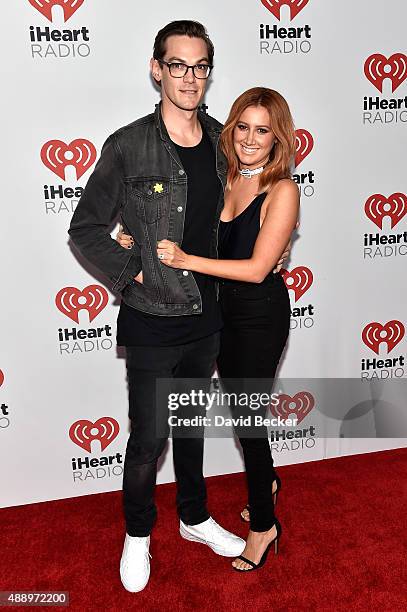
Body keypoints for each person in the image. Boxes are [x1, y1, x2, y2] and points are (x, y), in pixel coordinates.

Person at [69, 21, 291, 592]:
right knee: (148, 440)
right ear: (156, 69)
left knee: (190, 429)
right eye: (177, 65)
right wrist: (131, 264)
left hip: (208, 318)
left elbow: (249, 216)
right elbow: (86, 226)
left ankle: (194, 518)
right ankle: (137, 536)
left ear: (208, 74)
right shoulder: (127, 144)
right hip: (149, 318)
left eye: (199, 67)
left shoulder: (224, 143)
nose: (189, 77)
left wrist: (270, 254)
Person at [117, 87, 299, 572]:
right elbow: (184, 215)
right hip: (215, 313)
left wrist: (184, 259)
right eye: (243, 127)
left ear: (280, 137)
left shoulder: (282, 190)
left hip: (258, 317)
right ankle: (268, 484)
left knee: (248, 421)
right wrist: (134, 231)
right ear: (231, 128)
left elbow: (259, 268)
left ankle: (264, 525)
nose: (250, 139)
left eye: (263, 130)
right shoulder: (227, 173)